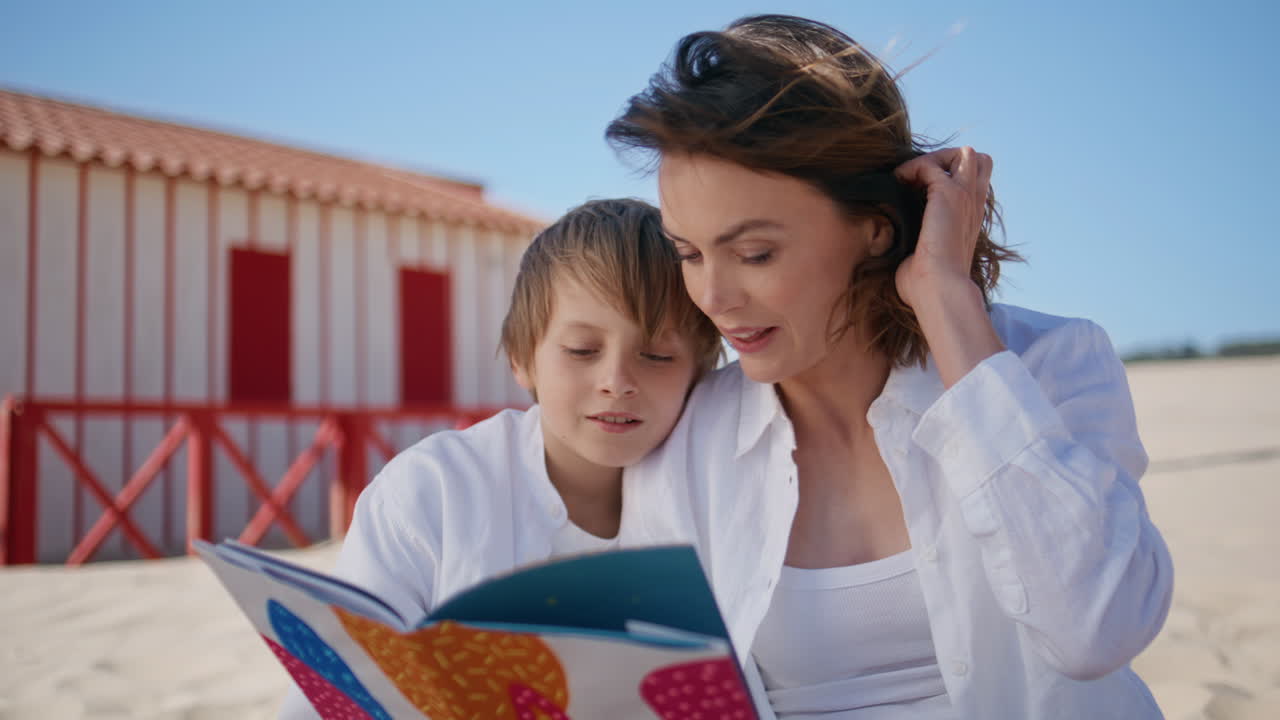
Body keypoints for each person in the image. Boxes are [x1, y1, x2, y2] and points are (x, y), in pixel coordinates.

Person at [609, 14, 1174, 719]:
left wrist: (947, 299)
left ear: (876, 228)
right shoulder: (685, 444)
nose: (714, 297)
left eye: (755, 254)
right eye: (689, 254)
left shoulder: (1050, 363)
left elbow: (1095, 632)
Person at [278, 197, 721, 718]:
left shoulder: (723, 487)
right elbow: (333, 691)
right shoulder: (433, 491)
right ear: (521, 357)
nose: (617, 382)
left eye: (657, 355)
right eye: (582, 350)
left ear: (700, 371)